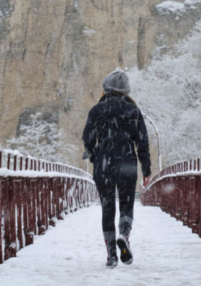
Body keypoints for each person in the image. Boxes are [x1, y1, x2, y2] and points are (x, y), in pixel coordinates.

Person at [82, 69, 151, 268]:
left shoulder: (97, 110)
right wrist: (146, 170)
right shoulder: (133, 111)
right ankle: (124, 235)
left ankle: (111, 254)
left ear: (106, 87)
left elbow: (87, 139)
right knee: (126, 205)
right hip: (127, 164)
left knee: (107, 208)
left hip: (103, 165)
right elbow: (143, 143)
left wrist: (94, 156)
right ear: (126, 90)